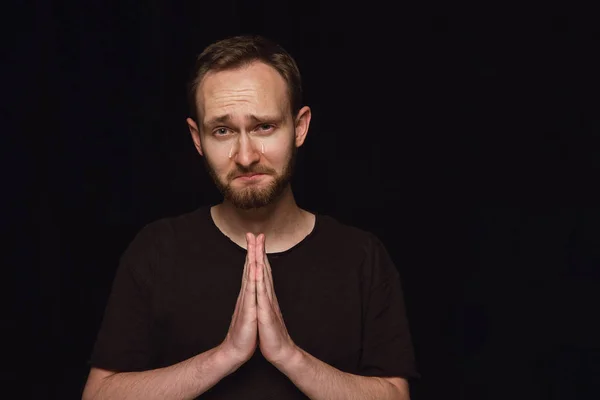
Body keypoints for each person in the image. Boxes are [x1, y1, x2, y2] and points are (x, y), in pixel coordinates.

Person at [82, 34, 419, 399]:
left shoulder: (362, 256)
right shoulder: (156, 249)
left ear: (300, 127)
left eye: (264, 127)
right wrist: (226, 355)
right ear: (198, 139)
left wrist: (288, 356)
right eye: (223, 131)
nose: (245, 156)